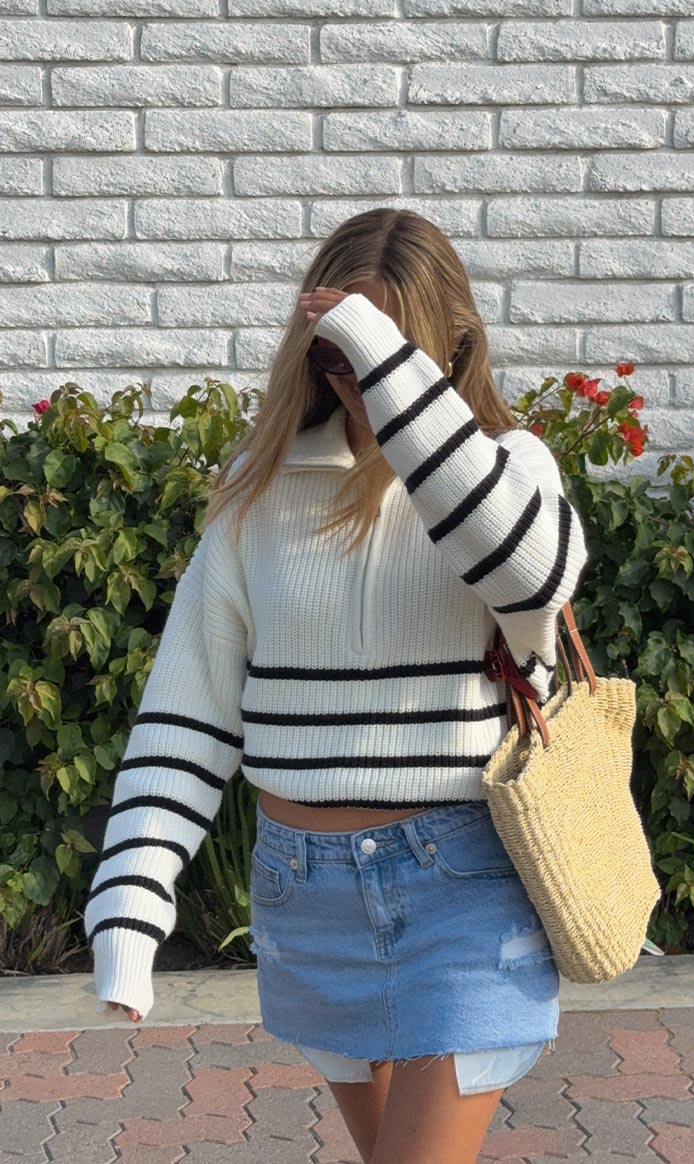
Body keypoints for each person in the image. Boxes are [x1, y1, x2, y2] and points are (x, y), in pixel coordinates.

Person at [84, 208, 588, 1164]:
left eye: (389, 353)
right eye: (338, 359)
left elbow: (529, 573)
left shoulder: (516, 475)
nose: (360, 387)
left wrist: (384, 358)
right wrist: (130, 906)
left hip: (463, 886)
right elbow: (187, 711)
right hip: (303, 894)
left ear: (451, 345)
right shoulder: (259, 494)